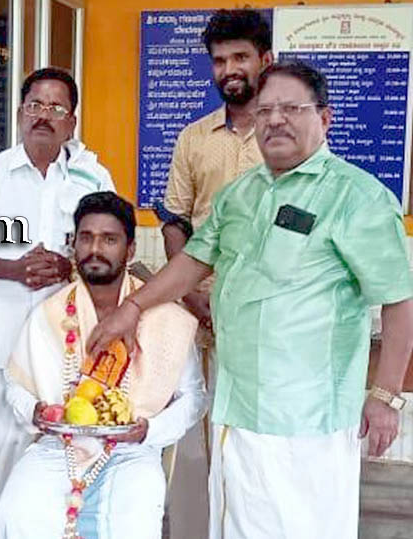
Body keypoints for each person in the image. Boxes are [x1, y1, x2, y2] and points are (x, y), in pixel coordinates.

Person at [88, 61, 413, 539]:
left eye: (291, 108)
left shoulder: (357, 197)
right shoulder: (240, 195)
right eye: (264, 111)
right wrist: (132, 308)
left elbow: (399, 300)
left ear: (324, 118)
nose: (275, 120)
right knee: (237, 523)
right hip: (237, 403)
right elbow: (194, 260)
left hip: (308, 420)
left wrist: (385, 397)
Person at [0, 67, 114, 539]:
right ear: (20, 112)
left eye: (56, 108)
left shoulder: (92, 178)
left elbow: (111, 248)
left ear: (71, 122)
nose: (44, 115)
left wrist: (69, 266)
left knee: (62, 459)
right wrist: (14, 269)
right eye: (35, 105)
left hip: (67, 351)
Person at [0, 192, 206, 538]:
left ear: (130, 250)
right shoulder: (48, 314)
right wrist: (35, 411)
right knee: (14, 515)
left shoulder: (166, 319)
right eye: (86, 238)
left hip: (132, 451)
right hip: (59, 447)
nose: (95, 249)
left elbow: (193, 398)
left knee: (132, 524)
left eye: (109, 239)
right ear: (73, 245)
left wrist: (149, 430)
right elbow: (15, 385)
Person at [158, 10, 273, 535]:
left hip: (265, 321)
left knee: (255, 445)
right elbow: (175, 223)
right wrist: (190, 298)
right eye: (220, 60)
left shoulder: (286, 135)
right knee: (192, 443)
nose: (229, 69)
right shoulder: (193, 138)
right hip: (200, 317)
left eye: (240, 57)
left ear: (265, 60)